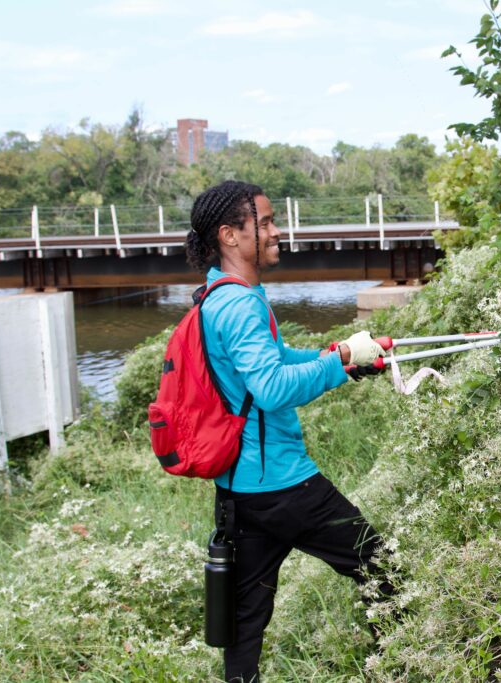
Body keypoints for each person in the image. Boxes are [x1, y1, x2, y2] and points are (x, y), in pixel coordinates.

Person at [184, 180, 393, 683]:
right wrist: (338, 363)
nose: (278, 231)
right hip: (283, 486)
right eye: (267, 222)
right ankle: (411, 658)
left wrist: (339, 356)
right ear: (231, 235)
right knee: (381, 566)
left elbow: (274, 362)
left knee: (244, 620)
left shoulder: (221, 295)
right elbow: (273, 387)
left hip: (242, 491)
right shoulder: (240, 305)